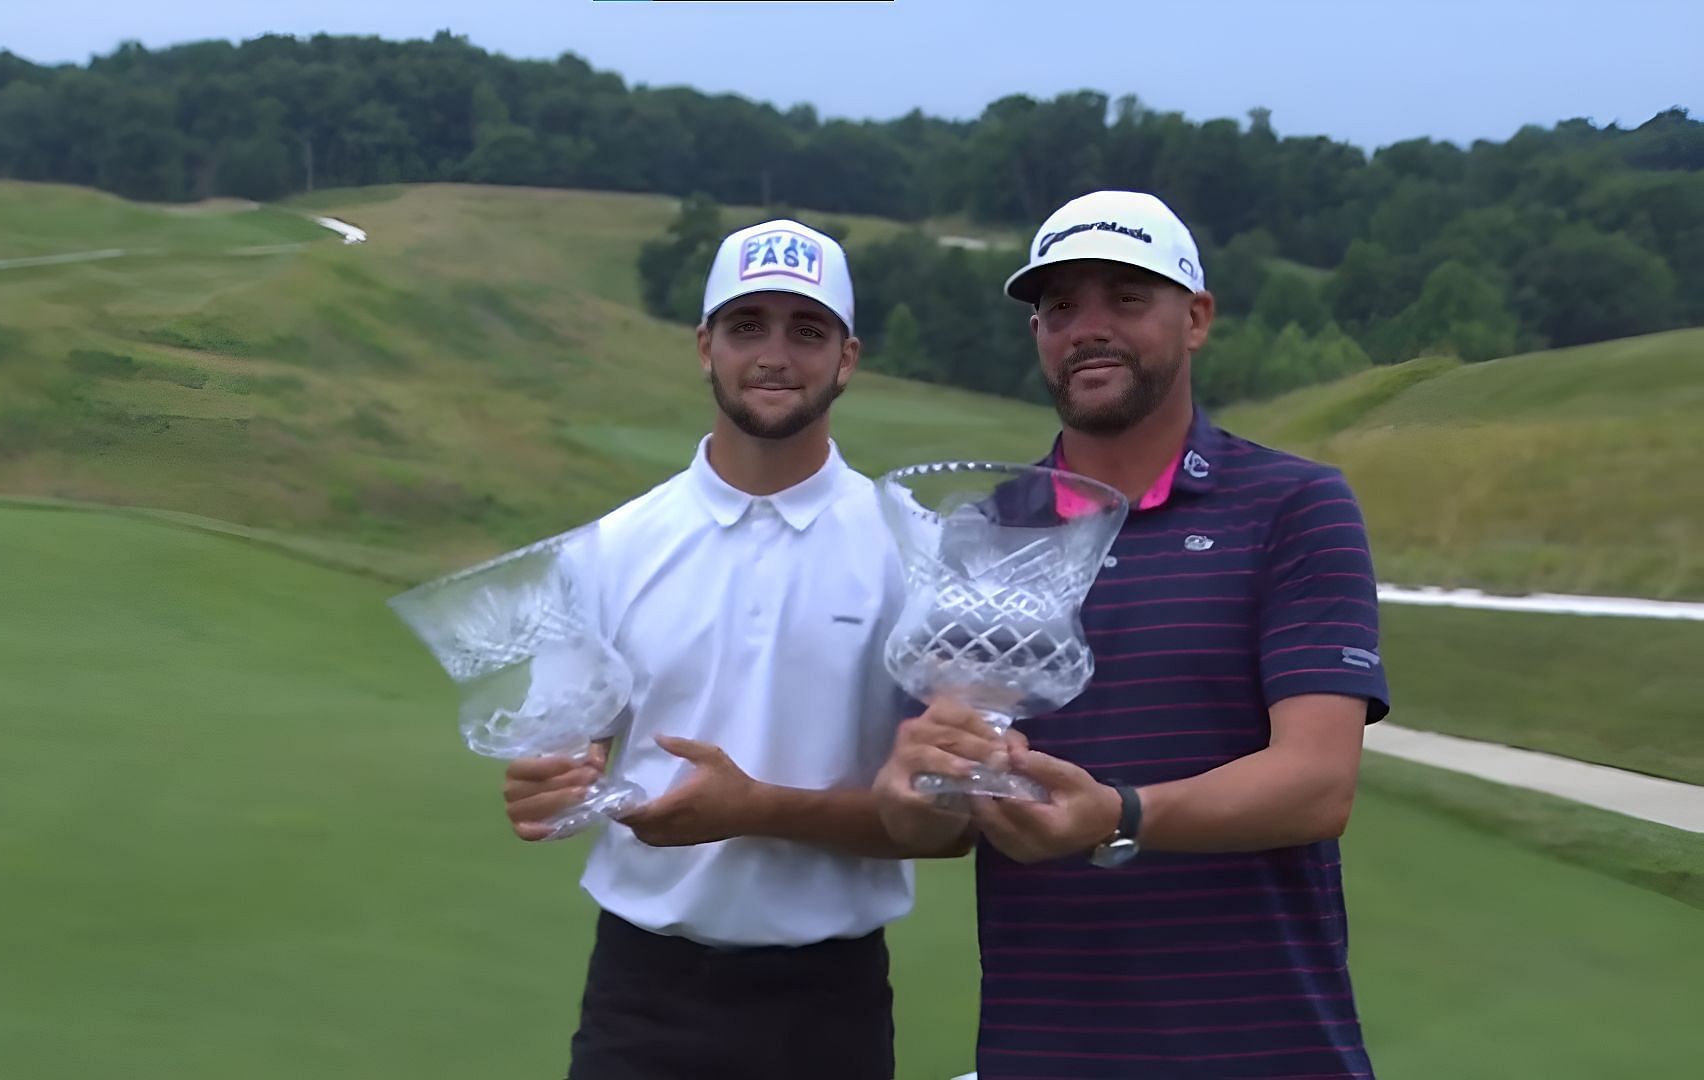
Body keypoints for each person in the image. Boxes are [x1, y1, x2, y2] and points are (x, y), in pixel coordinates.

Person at [876, 190, 1391, 1079]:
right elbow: (928, 823)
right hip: (1044, 1050)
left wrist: (1119, 817)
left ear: (1195, 318)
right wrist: (913, 787)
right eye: (1061, 307)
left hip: (1264, 1049)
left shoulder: (1294, 506)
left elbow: (1317, 784)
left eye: (1125, 296)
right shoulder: (983, 532)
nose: (1088, 327)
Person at [501, 218, 950, 1080]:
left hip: (831, 1004)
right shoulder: (606, 549)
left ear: (847, 357)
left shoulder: (915, 553)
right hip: (642, 995)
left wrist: (755, 808)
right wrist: (542, 789)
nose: (775, 354)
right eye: (748, 327)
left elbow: (946, 827)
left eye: (806, 330)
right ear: (704, 346)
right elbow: (556, 770)